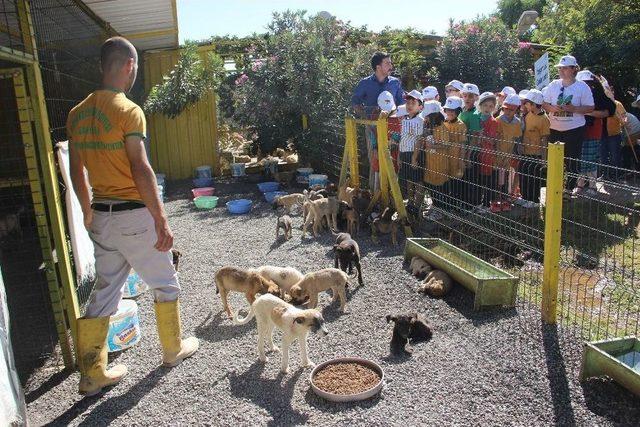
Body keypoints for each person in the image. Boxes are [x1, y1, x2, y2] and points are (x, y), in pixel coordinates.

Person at [67, 37, 198, 396]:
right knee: (165, 283)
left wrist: (86, 209)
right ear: (128, 66)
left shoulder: (76, 113)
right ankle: (173, 349)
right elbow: (140, 168)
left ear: (101, 65)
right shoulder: (129, 110)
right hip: (133, 216)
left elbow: (76, 170)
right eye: (135, 68)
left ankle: (92, 375)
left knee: (105, 292)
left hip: (102, 218)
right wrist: (161, 219)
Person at [543, 55, 595, 197]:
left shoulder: (582, 87)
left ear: (574, 69)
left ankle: (568, 189)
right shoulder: (553, 84)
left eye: (564, 68)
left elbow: (590, 108)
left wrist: (574, 109)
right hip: (554, 129)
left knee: (572, 159)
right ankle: (554, 186)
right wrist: (552, 109)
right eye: (560, 68)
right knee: (554, 159)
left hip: (575, 129)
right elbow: (544, 103)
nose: (561, 70)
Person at [351, 52, 405, 190]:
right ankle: (375, 193)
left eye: (390, 63)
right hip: (372, 128)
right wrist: (367, 117)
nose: (391, 66)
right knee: (375, 159)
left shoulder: (395, 82)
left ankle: (393, 193)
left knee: (394, 159)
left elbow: (401, 103)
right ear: (378, 66)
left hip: (393, 128)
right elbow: (355, 103)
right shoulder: (364, 83)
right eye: (387, 63)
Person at [574, 70, 615, 195]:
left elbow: (607, 111)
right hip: (576, 130)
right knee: (580, 159)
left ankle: (592, 186)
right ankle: (580, 185)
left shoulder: (599, 97)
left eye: (588, 83)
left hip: (593, 130)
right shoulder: (575, 95)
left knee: (590, 158)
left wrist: (586, 112)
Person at [520, 89, 551, 207]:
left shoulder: (544, 119)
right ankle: (524, 197)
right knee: (524, 175)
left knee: (534, 178)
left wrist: (544, 158)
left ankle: (534, 200)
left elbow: (544, 139)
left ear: (533, 104)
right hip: (525, 151)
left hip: (536, 153)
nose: (524, 105)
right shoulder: (528, 114)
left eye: (526, 103)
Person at [420, 101, 450, 221]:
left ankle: (440, 211)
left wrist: (433, 146)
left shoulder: (442, 128)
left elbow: (446, 145)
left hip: (439, 163)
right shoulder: (429, 127)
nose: (425, 117)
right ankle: (435, 207)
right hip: (430, 162)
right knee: (431, 186)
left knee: (439, 188)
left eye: (427, 115)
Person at [439, 96, 468, 212]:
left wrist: (461, 160)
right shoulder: (444, 123)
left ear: (458, 111)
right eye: (448, 110)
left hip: (456, 158)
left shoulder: (461, 125)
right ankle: (448, 204)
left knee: (457, 182)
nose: (450, 112)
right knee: (447, 182)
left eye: (453, 110)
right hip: (445, 158)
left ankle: (457, 204)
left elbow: (463, 144)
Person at [398, 90, 424, 216]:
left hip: (415, 154)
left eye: (413, 102)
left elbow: (419, 140)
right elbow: (403, 138)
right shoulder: (405, 119)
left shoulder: (420, 120)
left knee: (418, 181)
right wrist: (399, 156)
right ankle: (410, 202)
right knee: (409, 179)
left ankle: (417, 206)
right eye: (407, 102)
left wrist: (414, 157)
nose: (409, 105)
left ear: (420, 106)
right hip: (404, 153)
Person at [496, 94, 523, 211]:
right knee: (497, 175)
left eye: (510, 109)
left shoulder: (517, 122)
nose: (507, 111)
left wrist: (516, 152)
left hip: (509, 152)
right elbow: (495, 138)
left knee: (506, 175)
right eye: (505, 108)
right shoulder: (498, 120)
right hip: (498, 152)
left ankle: (505, 199)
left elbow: (517, 139)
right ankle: (496, 198)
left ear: (516, 109)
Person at [459, 83, 482, 207]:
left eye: (471, 96)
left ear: (476, 98)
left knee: (472, 178)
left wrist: (468, 155)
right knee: (464, 178)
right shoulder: (463, 111)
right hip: (462, 149)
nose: (467, 98)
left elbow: (474, 136)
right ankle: (465, 203)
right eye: (465, 95)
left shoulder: (474, 114)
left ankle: (474, 204)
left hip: (470, 152)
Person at [476, 92, 499, 212]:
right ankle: (479, 202)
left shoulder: (493, 121)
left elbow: (492, 140)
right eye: (485, 105)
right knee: (478, 179)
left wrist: (482, 136)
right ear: (480, 105)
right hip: (477, 153)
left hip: (487, 154)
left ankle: (486, 204)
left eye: (491, 106)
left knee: (487, 180)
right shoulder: (477, 118)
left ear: (494, 108)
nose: (487, 108)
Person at [601, 83, 627, 180]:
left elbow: (624, 117)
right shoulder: (601, 104)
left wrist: (623, 120)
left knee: (615, 155)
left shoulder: (617, 104)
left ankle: (615, 175)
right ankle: (605, 175)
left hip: (614, 134)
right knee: (602, 156)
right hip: (602, 134)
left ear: (612, 92)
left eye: (609, 91)